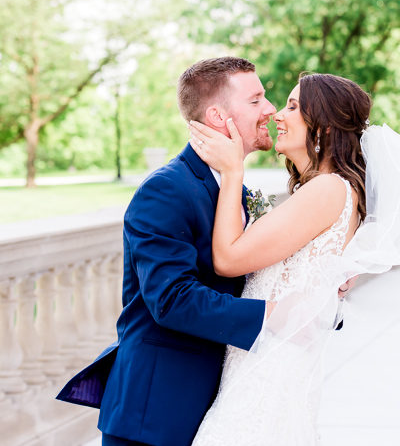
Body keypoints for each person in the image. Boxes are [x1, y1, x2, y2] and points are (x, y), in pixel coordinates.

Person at [57, 57, 276, 445]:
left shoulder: (235, 191)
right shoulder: (166, 189)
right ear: (217, 116)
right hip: (156, 416)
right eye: (256, 99)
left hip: (216, 409)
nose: (270, 110)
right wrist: (271, 316)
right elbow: (173, 299)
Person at [189, 73, 400, 445]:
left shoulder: (327, 189)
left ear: (323, 126)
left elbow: (227, 259)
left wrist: (233, 171)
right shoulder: (330, 189)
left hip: (269, 375)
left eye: (292, 106)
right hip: (268, 365)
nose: (277, 116)